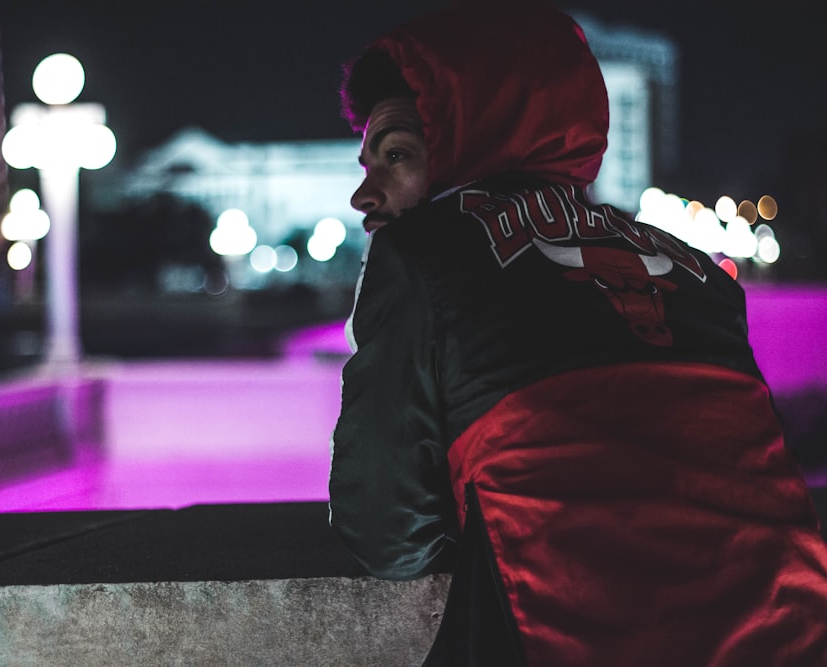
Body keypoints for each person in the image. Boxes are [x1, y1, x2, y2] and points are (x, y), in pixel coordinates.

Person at [326, 1, 827, 665]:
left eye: (395, 155)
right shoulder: (696, 271)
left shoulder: (423, 251)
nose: (366, 194)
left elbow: (385, 535)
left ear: (471, 139)